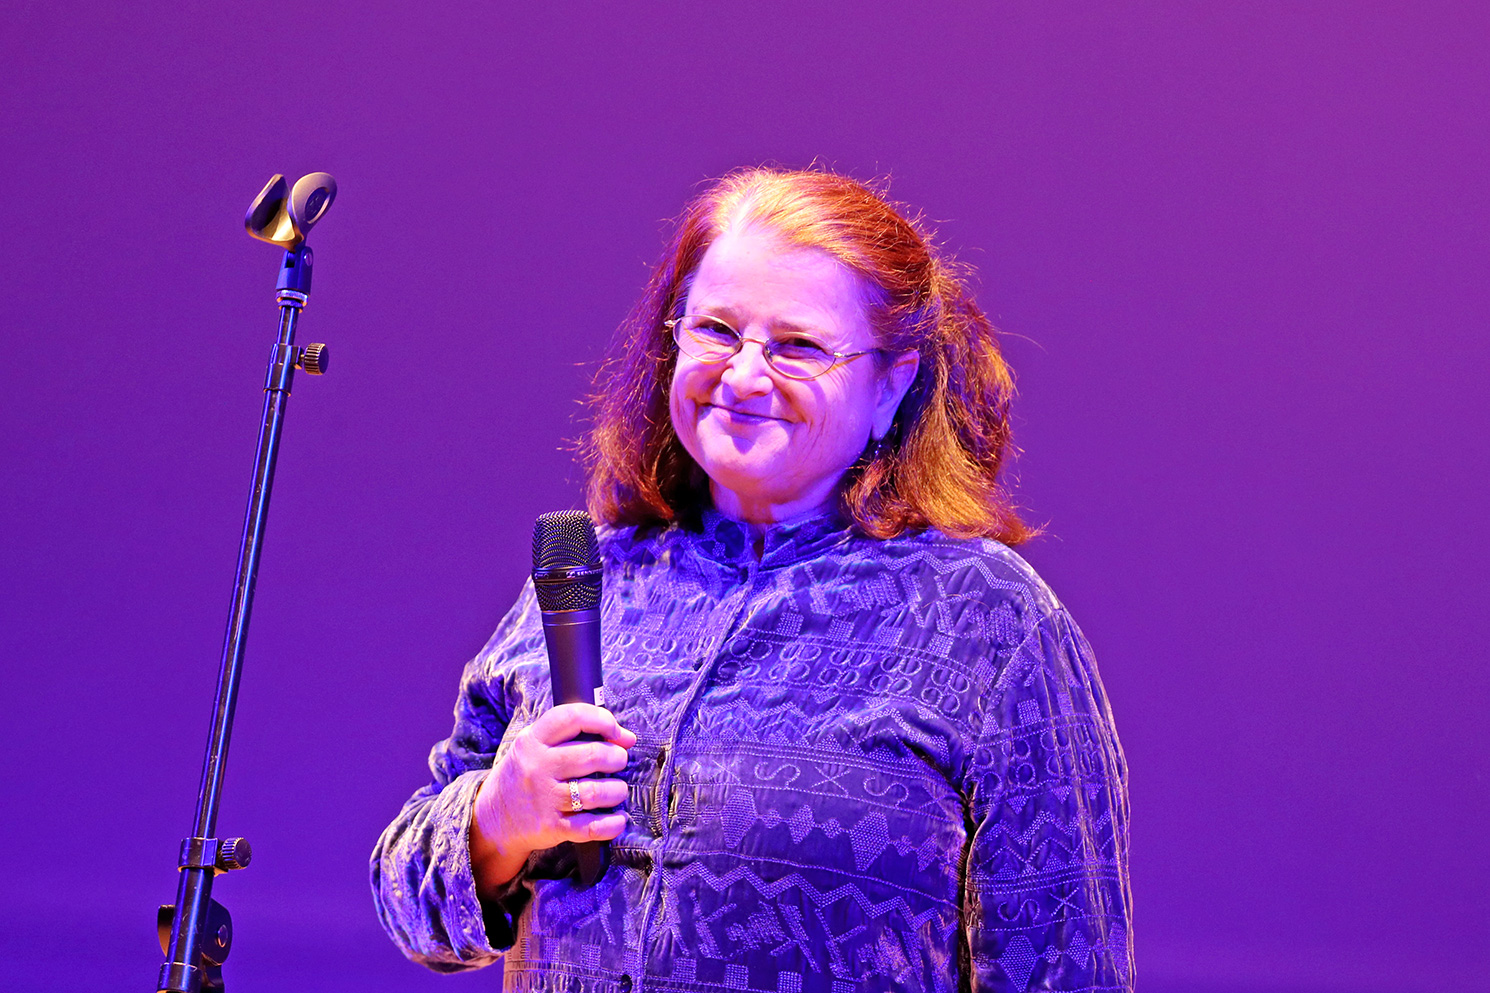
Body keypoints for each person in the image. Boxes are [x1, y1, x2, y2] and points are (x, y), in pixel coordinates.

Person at [371, 167, 1133, 992]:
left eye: (797, 345)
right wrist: (497, 820)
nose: (743, 375)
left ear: (893, 380)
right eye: (716, 331)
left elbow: (1065, 967)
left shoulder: (987, 619)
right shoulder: (591, 575)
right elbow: (408, 903)